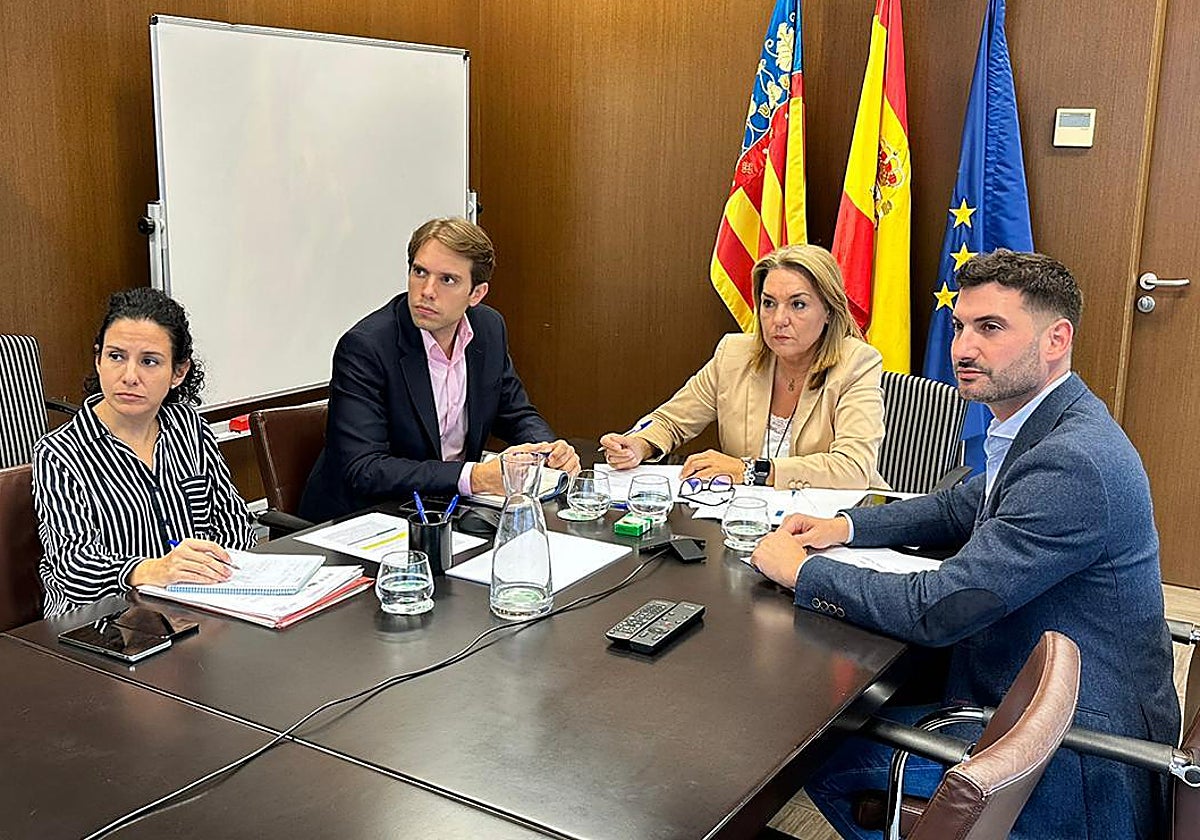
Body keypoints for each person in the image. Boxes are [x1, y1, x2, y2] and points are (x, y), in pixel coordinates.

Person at [751, 250, 1179, 839]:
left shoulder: (1073, 461)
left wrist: (803, 573)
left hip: (1071, 756)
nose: (962, 348)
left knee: (816, 751)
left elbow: (943, 607)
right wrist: (846, 527)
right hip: (1019, 692)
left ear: (1057, 339)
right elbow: (961, 503)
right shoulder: (1051, 421)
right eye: (959, 326)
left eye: (991, 328)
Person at [300, 217, 579, 522]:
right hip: (368, 518)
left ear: (476, 293)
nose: (427, 291)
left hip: (447, 510)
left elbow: (515, 412)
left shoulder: (488, 329)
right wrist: (475, 477)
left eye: (447, 280)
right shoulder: (367, 347)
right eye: (419, 272)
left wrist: (547, 450)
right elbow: (365, 468)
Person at [33, 288, 257, 618]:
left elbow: (235, 524)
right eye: (115, 356)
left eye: (149, 361)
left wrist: (219, 570)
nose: (129, 376)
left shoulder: (190, 429)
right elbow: (73, 567)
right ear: (98, 360)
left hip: (195, 610)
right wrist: (151, 571)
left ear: (178, 373)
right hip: (100, 625)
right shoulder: (59, 453)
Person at [599, 244, 885, 490]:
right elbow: (671, 421)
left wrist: (751, 471)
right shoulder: (734, 355)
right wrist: (639, 445)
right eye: (769, 304)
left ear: (828, 312)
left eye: (798, 305)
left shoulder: (857, 363)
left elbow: (854, 468)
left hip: (837, 524)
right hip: (748, 519)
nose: (779, 319)